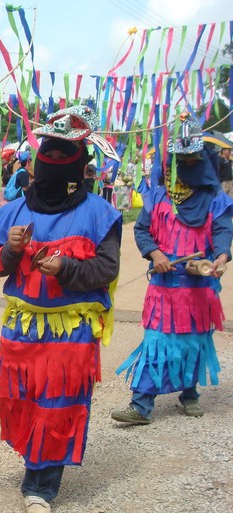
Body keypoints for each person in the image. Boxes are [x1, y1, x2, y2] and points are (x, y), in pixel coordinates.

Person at [0, 105, 122, 513]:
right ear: (37, 158)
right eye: (50, 153)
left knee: (58, 405)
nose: (56, 161)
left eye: (66, 155)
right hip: (21, 332)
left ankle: (40, 485)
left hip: (70, 336)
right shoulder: (14, 210)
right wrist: (10, 250)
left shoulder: (99, 213)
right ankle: (35, 463)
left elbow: (107, 269)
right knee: (23, 403)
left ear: (80, 165)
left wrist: (66, 268)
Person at [112, 115, 232, 425]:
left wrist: (220, 259)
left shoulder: (215, 200)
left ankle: (189, 394)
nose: (188, 165)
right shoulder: (157, 197)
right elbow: (142, 230)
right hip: (164, 287)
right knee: (157, 341)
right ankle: (141, 405)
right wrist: (156, 253)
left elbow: (222, 232)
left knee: (194, 340)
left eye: (194, 159)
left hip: (199, 289)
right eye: (182, 160)